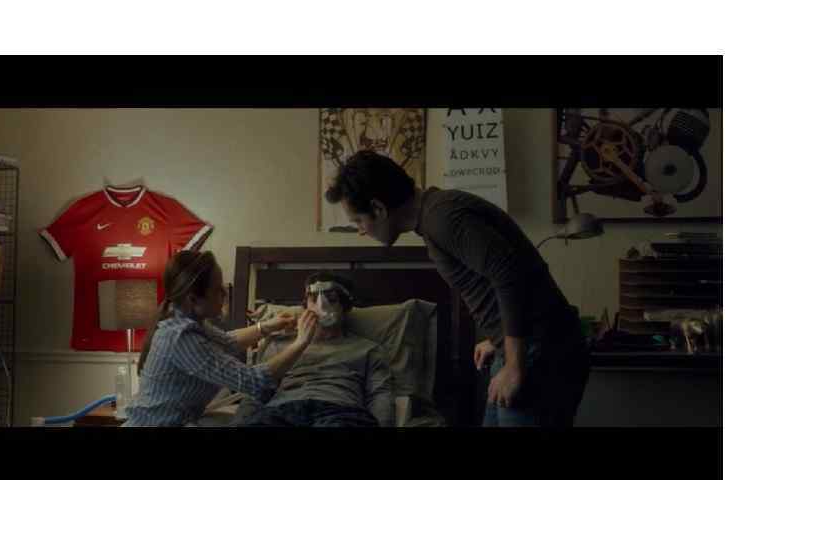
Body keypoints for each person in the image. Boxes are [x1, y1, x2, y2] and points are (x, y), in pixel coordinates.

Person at [325, 150, 589, 427]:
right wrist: (498, 337)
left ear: (378, 209)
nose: (361, 231)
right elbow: (502, 275)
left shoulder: (444, 218)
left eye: (358, 221)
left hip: (541, 352)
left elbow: (510, 275)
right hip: (528, 347)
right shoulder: (437, 215)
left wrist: (514, 364)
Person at [122, 250, 320, 427]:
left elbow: (227, 341)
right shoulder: (180, 338)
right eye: (217, 289)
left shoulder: (189, 321)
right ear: (193, 299)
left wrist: (267, 326)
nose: (224, 293)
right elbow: (254, 382)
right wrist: (300, 343)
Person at [234, 272, 395, 427]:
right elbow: (257, 389)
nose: (322, 306)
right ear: (305, 306)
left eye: (332, 299)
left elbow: (380, 395)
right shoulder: (279, 345)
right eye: (313, 299)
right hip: (282, 410)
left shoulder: (368, 349)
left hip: (340, 411)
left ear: (345, 307)